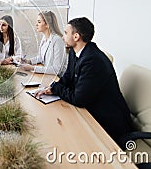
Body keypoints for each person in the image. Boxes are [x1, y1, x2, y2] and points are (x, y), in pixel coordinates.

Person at [35, 17, 132, 147]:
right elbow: (68, 77)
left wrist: (56, 89)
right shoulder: (75, 53)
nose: (63, 37)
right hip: (92, 111)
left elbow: (78, 99)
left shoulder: (92, 60)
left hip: (109, 124)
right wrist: (51, 87)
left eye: (65, 33)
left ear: (76, 37)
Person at [19, 11, 67, 76]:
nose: (36, 24)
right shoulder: (44, 38)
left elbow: (57, 69)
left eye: (39, 22)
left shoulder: (57, 40)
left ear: (47, 25)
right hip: (48, 76)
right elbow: (42, 58)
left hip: (58, 78)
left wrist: (32, 68)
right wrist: (28, 61)